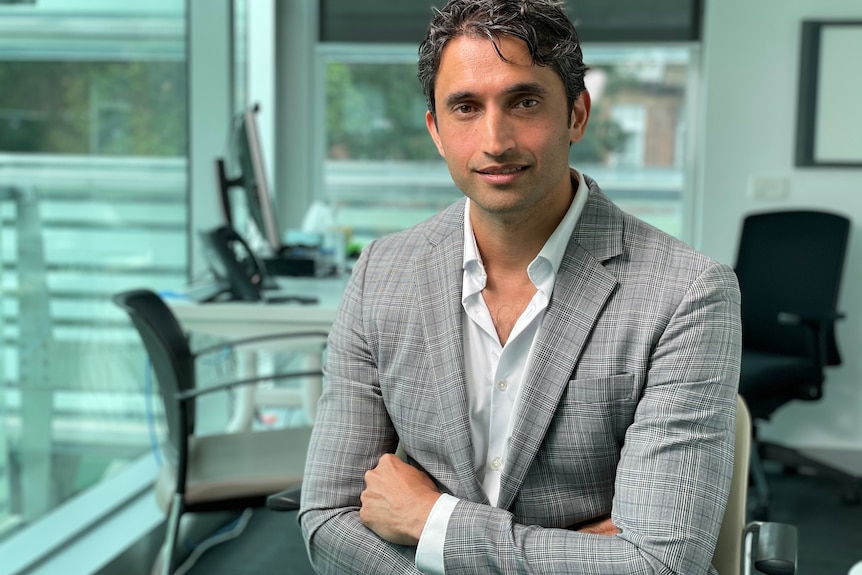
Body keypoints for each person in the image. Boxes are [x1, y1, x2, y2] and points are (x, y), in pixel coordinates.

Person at [299, 0, 741, 573]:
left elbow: (660, 564)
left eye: (524, 101)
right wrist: (587, 553)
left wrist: (432, 523)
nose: (495, 140)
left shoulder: (687, 293)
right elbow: (327, 519)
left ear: (577, 115)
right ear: (435, 129)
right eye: (464, 107)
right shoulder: (382, 272)